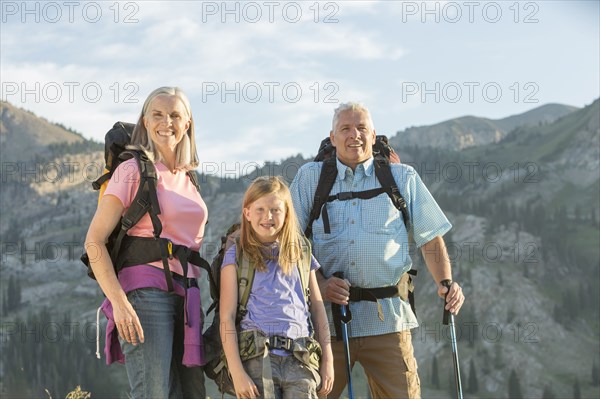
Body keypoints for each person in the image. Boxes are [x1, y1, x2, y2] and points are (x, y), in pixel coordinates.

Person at [290, 102, 465, 399]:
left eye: (361, 128)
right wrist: (318, 283)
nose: (354, 135)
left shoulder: (402, 178)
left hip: (388, 322)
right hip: (326, 324)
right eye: (345, 128)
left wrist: (445, 283)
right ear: (333, 138)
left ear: (373, 135)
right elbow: (289, 242)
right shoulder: (310, 178)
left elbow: (430, 238)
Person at [84, 86, 207, 398]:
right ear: (145, 122)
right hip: (144, 295)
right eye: (158, 114)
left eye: (175, 115)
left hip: (187, 296)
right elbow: (94, 241)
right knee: (152, 393)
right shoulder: (131, 170)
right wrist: (120, 303)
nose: (167, 121)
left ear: (188, 124)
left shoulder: (189, 178)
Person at [220, 176, 334, 399]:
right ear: (247, 213)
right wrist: (237, 372)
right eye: (260, 209)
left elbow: (318, 310)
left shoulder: (301, 253)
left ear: (287, 213)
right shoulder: (236, 254)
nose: (268, 217)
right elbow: (227, 316)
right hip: (257, 360)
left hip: (301, 360)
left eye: (275, 209)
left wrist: (328, 360)